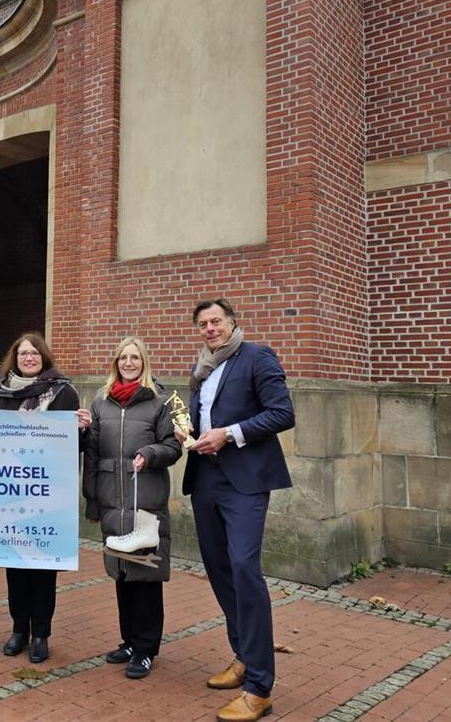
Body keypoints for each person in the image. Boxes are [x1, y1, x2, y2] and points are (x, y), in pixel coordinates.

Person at [179, 298, 294, 722]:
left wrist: (230, 434)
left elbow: (283, 413)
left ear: (232, 323)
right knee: (220, 570)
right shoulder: (202, 369)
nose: (210, 328)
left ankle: (260, 688)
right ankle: (244, 655)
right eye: (203, 323)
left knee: (244, 568)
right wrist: (187, 433)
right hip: (205, 478)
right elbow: (204, 419)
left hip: (244, 481)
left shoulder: (257, 356)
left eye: (216, 321)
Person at [0, 332, 91, 664]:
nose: (28, 358)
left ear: (43, 357)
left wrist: (83, 429)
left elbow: (77, 446)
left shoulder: (63, 393)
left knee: (44, 565)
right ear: (14, 359)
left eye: (34, 353)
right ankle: (19, 629)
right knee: (15, 563)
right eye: (22, 354)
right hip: (12, 491)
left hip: (49, 494)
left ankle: (41, 633)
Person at [83, 337, 181, 680]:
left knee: (146, 574)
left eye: (135, 357)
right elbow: (92, 454)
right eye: (123, 357)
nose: (128, 362)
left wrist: (151, 454)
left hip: (146, 499)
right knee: (123, 574)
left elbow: (173, 447)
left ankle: (145, 648)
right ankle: (128, 640)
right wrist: (92, 500)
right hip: (113, 499)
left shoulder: (158, 401)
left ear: (144, 362)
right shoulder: (101, 402)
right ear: (116, 362)